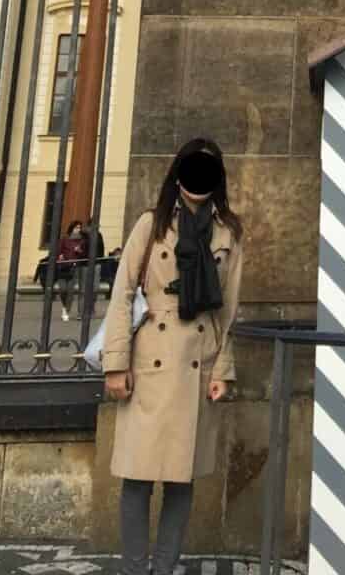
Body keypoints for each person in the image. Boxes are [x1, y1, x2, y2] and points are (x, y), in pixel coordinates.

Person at [101, 137, 244, 575]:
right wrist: (116, 363)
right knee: (138, 477)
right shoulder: (152, 223)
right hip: (149, 360)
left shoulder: (228, 232)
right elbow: (123, 293)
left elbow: (230, 308)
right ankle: (133, 568)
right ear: (178, 173)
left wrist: (223, 368)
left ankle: (163, 568)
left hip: (196, 358)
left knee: (181, 481)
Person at [54, 219, 87, 322]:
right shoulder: (65, 238)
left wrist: (79, 251)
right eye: (76, 227)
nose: (78, 230)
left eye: (79, 228)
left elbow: (84, 254)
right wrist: (60, 256)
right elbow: (59, 250)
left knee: (70, 291)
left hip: (74, 268)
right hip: (63, 267)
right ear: (72, 228)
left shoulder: (82, 240)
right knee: (62, 289)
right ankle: (64, 306)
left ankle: (66, 311)